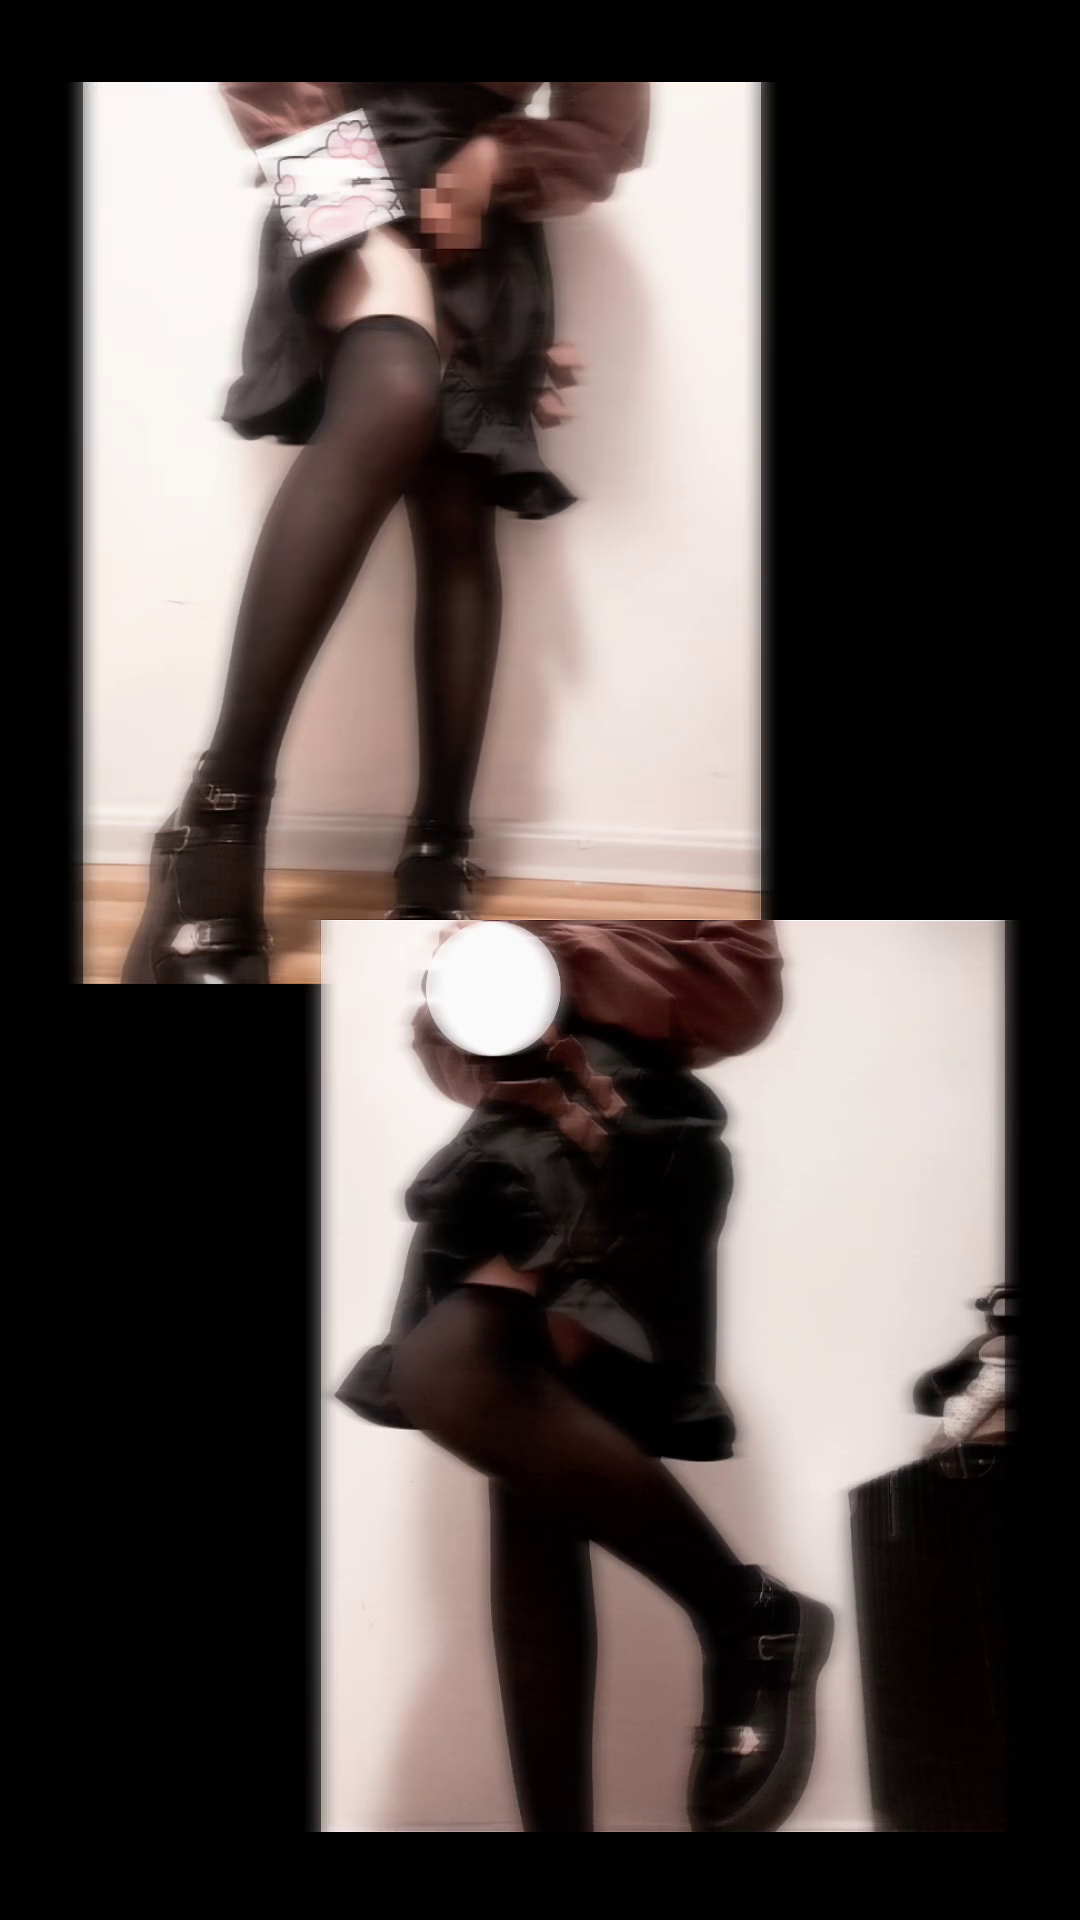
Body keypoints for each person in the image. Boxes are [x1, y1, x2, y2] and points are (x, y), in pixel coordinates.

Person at [122, 82, 650, 983]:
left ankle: (439, 849)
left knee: (457, 511)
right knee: (399, 388)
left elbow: (606, 127)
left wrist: (499, 162)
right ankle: (215, 823)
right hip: (338, 166)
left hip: (488, 228)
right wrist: (347, 197)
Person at [336, 921, 835, 1834]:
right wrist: (474, 990)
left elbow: (745, 996)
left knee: (449, 1372)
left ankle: (746, 1616)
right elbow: (451, 1055)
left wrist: (562, 957)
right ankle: (747, 1623)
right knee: (530, 1495)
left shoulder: (652, 896)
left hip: (621, 1123)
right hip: (511, 1133)